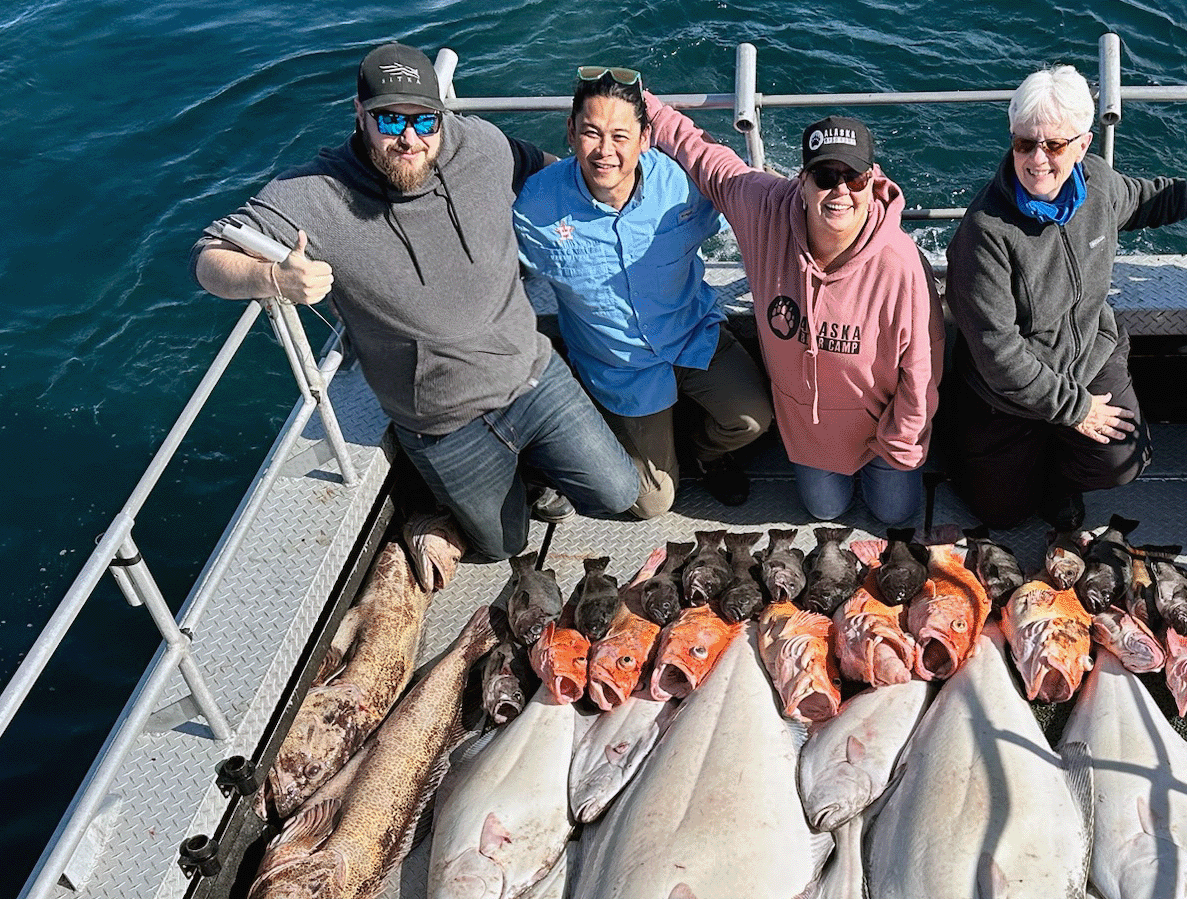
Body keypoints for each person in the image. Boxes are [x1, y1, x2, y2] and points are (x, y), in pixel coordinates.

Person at [192, 43, 639, 561]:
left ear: (441, 116)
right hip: (441, 423)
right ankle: (434, 504)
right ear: (359, 114)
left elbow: (544, 169)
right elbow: (209, 256)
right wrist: (274, 277)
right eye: (389, 120)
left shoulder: (481, 145)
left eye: (425, 121)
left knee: (619, 495)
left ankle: (525, 471)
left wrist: (614, 205)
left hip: (532, 376)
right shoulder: (314, 194)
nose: (409, 139)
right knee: (503, 547)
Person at [944, 65, 1187, 531]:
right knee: (1000, 515)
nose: (1037, 159)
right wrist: (1075, 410)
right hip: (1007, 392)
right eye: (1024, 142)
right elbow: (997, 352)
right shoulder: (985, 231)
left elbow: (1141, 198)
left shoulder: (1098, 182)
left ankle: (1057, 475)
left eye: (1054, 145)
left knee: (1122, 461)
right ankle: (1013, 452)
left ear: (1083, 146)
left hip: (1089, 355)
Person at [643, 91, 943, 527]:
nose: (840, 190)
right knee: (824, 508)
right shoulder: (764, 209)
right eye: (825, 176)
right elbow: (706, 159)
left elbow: (922, 369)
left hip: (885, 426)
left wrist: (900, 443)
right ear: (802, 180)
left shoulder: (899, 262)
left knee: (896, 513)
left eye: (853, 178)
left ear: (872, 180)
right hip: (811, 433)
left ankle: (887, 464)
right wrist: (647, 105)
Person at [513, 68, 773, 518]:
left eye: (620, 135)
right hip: (619, 363)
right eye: (591, 133)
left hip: (691, 335)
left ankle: (705, 452)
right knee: (652, 503)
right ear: (570, 133)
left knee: (753, 419)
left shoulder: (683, 185)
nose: (605, 151)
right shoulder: (536, 205)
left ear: (645, 138)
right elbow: (495, 271)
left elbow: (760, 212)